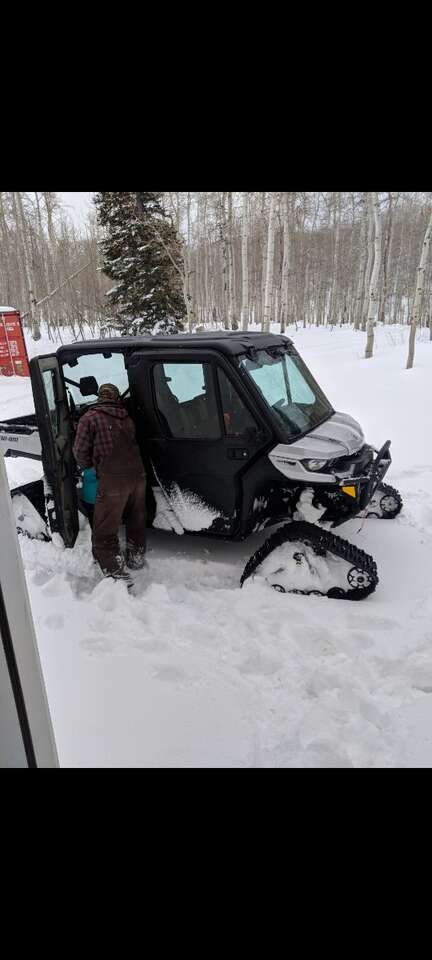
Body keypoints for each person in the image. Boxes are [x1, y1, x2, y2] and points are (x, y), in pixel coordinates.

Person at [73, 383, 147, 584]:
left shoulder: (89, 418)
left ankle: (116, 574)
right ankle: (136, 557)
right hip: (138, 476)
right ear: (116, 398)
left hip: (113, 480)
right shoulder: (127, 417)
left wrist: (90, 467)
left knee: (104, 529)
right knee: (136, 519)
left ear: (99, 397)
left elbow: (79, 451)